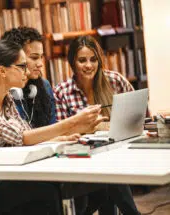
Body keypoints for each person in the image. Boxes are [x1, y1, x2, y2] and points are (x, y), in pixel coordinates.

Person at [0, 39, 104, 215]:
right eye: (21, 66)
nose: (27, 72)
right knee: (47, 192)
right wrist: (73, 122)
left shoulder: (7, 101)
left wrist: (63, 136)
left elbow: (26, 136)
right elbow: (22, 138)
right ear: (2, 71)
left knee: (68, 188)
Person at [54, 35, 139, 215]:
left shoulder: (115, 81)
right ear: (72, 62)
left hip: (116, 153)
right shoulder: (62, 92)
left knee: (109, 174)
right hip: (80, 158)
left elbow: (137, 115)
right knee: (109, 177)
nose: (89, 65)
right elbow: (62, 132)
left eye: (93, 59)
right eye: (82, 60)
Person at [1, 27, 56, 128]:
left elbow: (52, 127)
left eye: (41, 57)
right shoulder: (1, 91)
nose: (40, 64)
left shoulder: (45, 85)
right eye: (34, 58)